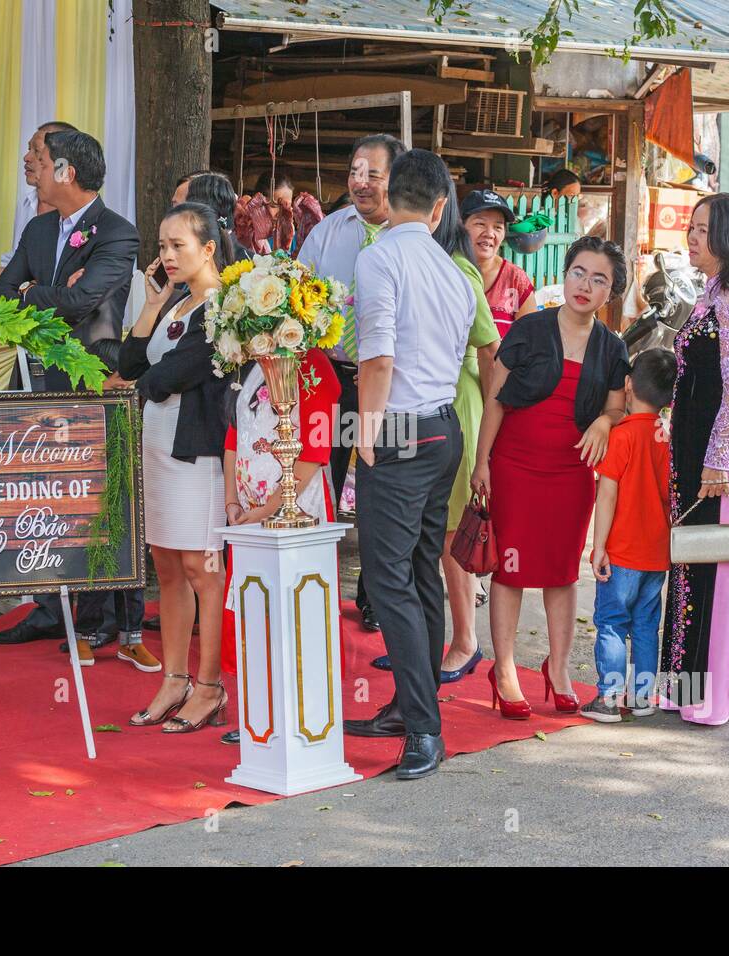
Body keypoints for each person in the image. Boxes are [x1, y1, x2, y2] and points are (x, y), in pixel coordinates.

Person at [0, 130, 149, 663]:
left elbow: (83, 304)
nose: (28, 164)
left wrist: (38, 292)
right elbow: (3, 295)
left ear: (67, 173)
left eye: (41, 160)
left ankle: (103, 618)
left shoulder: (117, 233)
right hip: (39, 380)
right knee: (44, 495)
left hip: (95, 381)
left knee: (97, 498)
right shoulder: (38, 229)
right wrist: (33, 293)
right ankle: (49, 604)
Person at [342, 149, 476, 781]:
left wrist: (365, 430)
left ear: (391, 194)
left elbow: (378, 355)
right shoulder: (455, 271)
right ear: (441, 205)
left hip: (398, 428)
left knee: (390, 576)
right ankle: (410, 709)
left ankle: (424, 725)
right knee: (421, 568)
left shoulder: (380, 257)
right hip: (442, 428)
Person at [472, 236, 630, 719]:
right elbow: (496, 398)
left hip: (571, 473)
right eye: (579, 272)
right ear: (565, 275)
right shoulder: (530, 329)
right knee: (511, 570)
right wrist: (482, 463)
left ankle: (558, 669)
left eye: (599, 279)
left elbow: (618, 406)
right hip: (515, 466)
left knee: (562, 571)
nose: (585, 285)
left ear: (611, 292)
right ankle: (505, 672)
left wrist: (605, 421)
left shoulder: (611, 346)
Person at [372, 171, 501, 681]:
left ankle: (463, 642)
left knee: (441, 543)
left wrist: (493, 425)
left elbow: (491, 351)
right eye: (478, 222)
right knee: (431, 546)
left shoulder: (455, 272)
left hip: (450, 414)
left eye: (495, 225)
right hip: (442, 415)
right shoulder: (447, 268)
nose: (486, 233)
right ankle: (422, 659)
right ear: (449, 215)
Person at [120, 202, 234, 733]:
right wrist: (152, 305)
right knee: (166, 566)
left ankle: (209, 685)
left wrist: (133, 386)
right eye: (162, 246)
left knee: (201, 570)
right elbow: (130, 361)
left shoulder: (226, 307)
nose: (166, 255)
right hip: (158, 449)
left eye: (177, 246)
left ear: (208, 248)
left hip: (198, 454)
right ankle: (174, 678)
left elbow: (172, 373)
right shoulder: (177, 303)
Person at [661, 193, 729, 726]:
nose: (692, 237)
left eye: (704, 228)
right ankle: (684, 685)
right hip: (693, 441)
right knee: (689, 557)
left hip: (719, 450)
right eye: (692, 226)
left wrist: (718, 462)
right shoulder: (712, 291)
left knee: (712, 555)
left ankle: (712, 694)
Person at [296, 133, 408, 632]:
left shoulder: (410, 237)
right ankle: (312, 588)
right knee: (322, 481)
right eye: (354, 173)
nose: (360, 184)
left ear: (396, 180)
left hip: (388, 383)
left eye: (373, 175)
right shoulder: (327, 232)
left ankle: (374, 597)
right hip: (331, 380)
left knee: (380, 491)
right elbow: (295, 294)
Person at [217, 346, 342, 744]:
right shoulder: (252, 365)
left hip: (294, 507)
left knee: (293, 610)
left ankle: (299, 713)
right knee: (254, 609)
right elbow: (235, 432)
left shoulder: (312, 365)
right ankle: (260, 710)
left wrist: (273, 506)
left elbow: (317, 447)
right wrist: (232, 501)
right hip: (249, 513)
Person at [585, 348, 677, 722]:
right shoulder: (668, 438)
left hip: (621, 551)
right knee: (644, 624)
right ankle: (641, 697)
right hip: (657, 553)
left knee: (610, 622)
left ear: (627, 386)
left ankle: (607, 697)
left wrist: (598, 546)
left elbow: (606, 494)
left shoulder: (621, 437)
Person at [0, 121, 76, 295]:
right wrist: (4, 272)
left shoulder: (81, 212)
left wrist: (12, 278)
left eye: (37, 151)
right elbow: (19, 259)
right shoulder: (28, 203)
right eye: (29, 149)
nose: (27, 157)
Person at [460, 190, 537, 337]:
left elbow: (531, 339)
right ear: (461, 227)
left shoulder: (516, 279)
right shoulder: (449, 271)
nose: (489, 233)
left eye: (498, 227)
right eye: (480, 223)